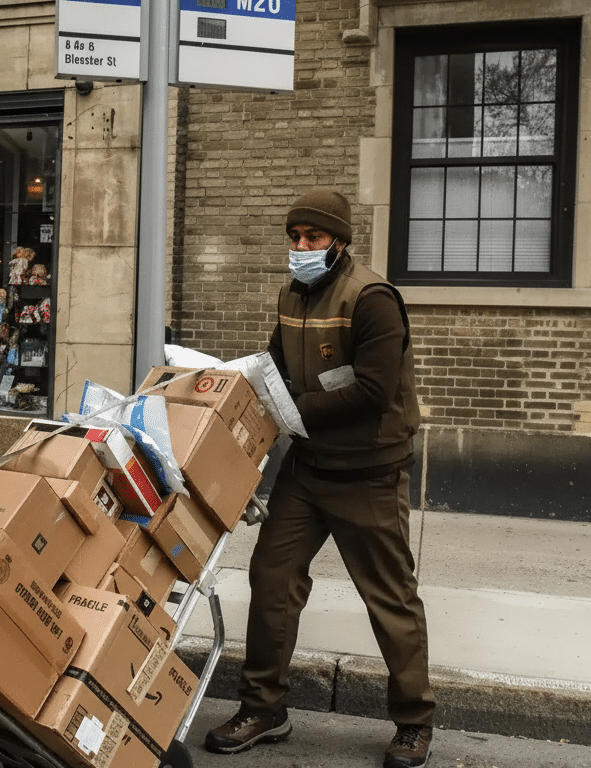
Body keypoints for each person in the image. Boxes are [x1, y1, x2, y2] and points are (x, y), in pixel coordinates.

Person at [205, 189, 435, 768]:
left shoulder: (373, 297)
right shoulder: (290, 294)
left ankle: (413, 722)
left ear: (339, 241)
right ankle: (264, 708)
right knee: (272, 577)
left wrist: (293, 410)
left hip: (370, 472)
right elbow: (275, 366)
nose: (301, 247)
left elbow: (374, 390)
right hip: (308, 469)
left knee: (389, 598)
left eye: (314, 238)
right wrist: (233, 386)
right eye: (294, 237)